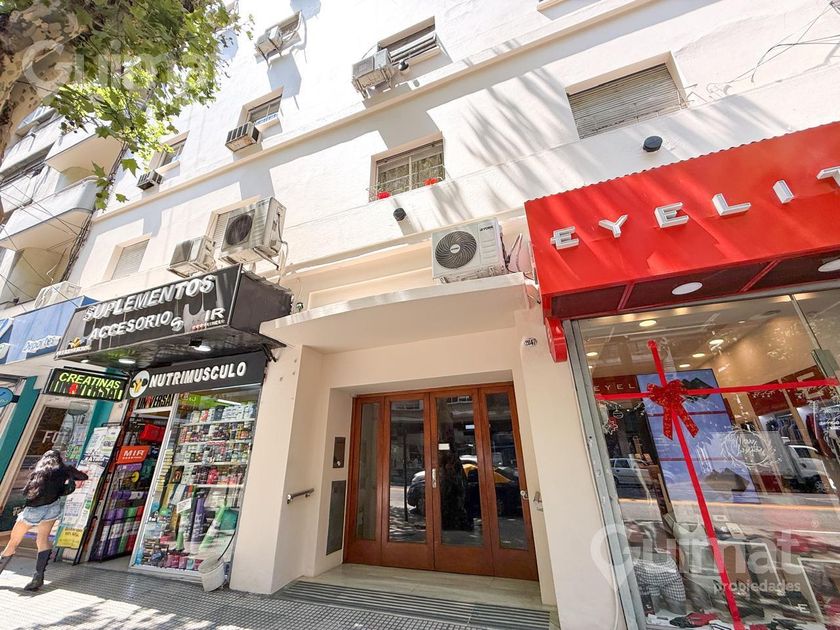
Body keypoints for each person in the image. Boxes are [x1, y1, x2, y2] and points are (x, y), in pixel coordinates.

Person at [0, 450, 87, 591]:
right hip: (52, 507)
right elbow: (83, 477)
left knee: (13, 542)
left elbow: (26, 492)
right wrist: (70, 476)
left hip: (33, 510)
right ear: (59, 459)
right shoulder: (65, 469)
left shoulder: (40, 470)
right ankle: (38, 577)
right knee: (42, 540)